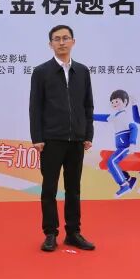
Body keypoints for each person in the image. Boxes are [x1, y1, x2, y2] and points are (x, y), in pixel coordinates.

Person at [29, 25, 96, 252]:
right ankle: (50, 233)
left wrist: (87, 134)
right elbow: (35, 107)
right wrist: (37, 137)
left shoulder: (82, 71)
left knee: (73, 188)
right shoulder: (41, 72)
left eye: (65, 38)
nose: (61, 42)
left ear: (73, 42)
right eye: (57, 39)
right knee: (49, 188)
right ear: (50, 44)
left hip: (76, 139)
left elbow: (88, 105)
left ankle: (73, 232)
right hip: (51, 140)